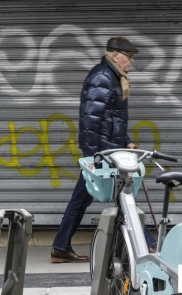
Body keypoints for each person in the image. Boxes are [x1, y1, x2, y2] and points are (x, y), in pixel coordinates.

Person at [51, 37, 157, 263]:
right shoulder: (102, 77)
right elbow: (90, 121)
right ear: (115, 54)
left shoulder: (113, 77)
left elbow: (112, 117)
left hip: (110, 149)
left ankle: (60, 247)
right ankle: (148, 243)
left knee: (88, 199)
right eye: (129, 56)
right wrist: (93, 158)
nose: (131, 61)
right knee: (122, 195)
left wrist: (126, 141)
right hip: (103, 153)